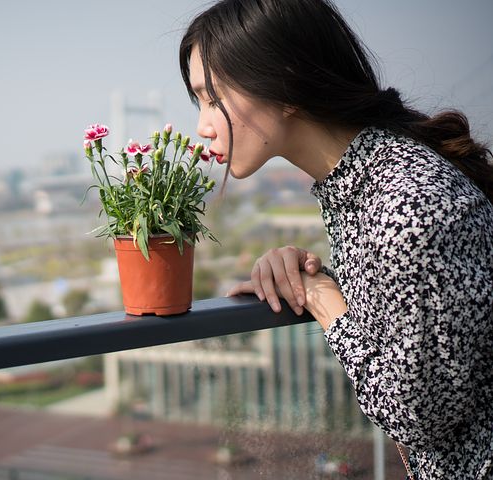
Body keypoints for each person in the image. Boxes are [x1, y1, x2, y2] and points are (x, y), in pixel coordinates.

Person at [179, 0, 493, 478]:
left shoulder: (408, 204)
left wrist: (323, 298)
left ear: (284, 85)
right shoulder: (366, 185)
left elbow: (419, 416)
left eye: (211, 96)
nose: (202, 126)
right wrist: (310, 269)